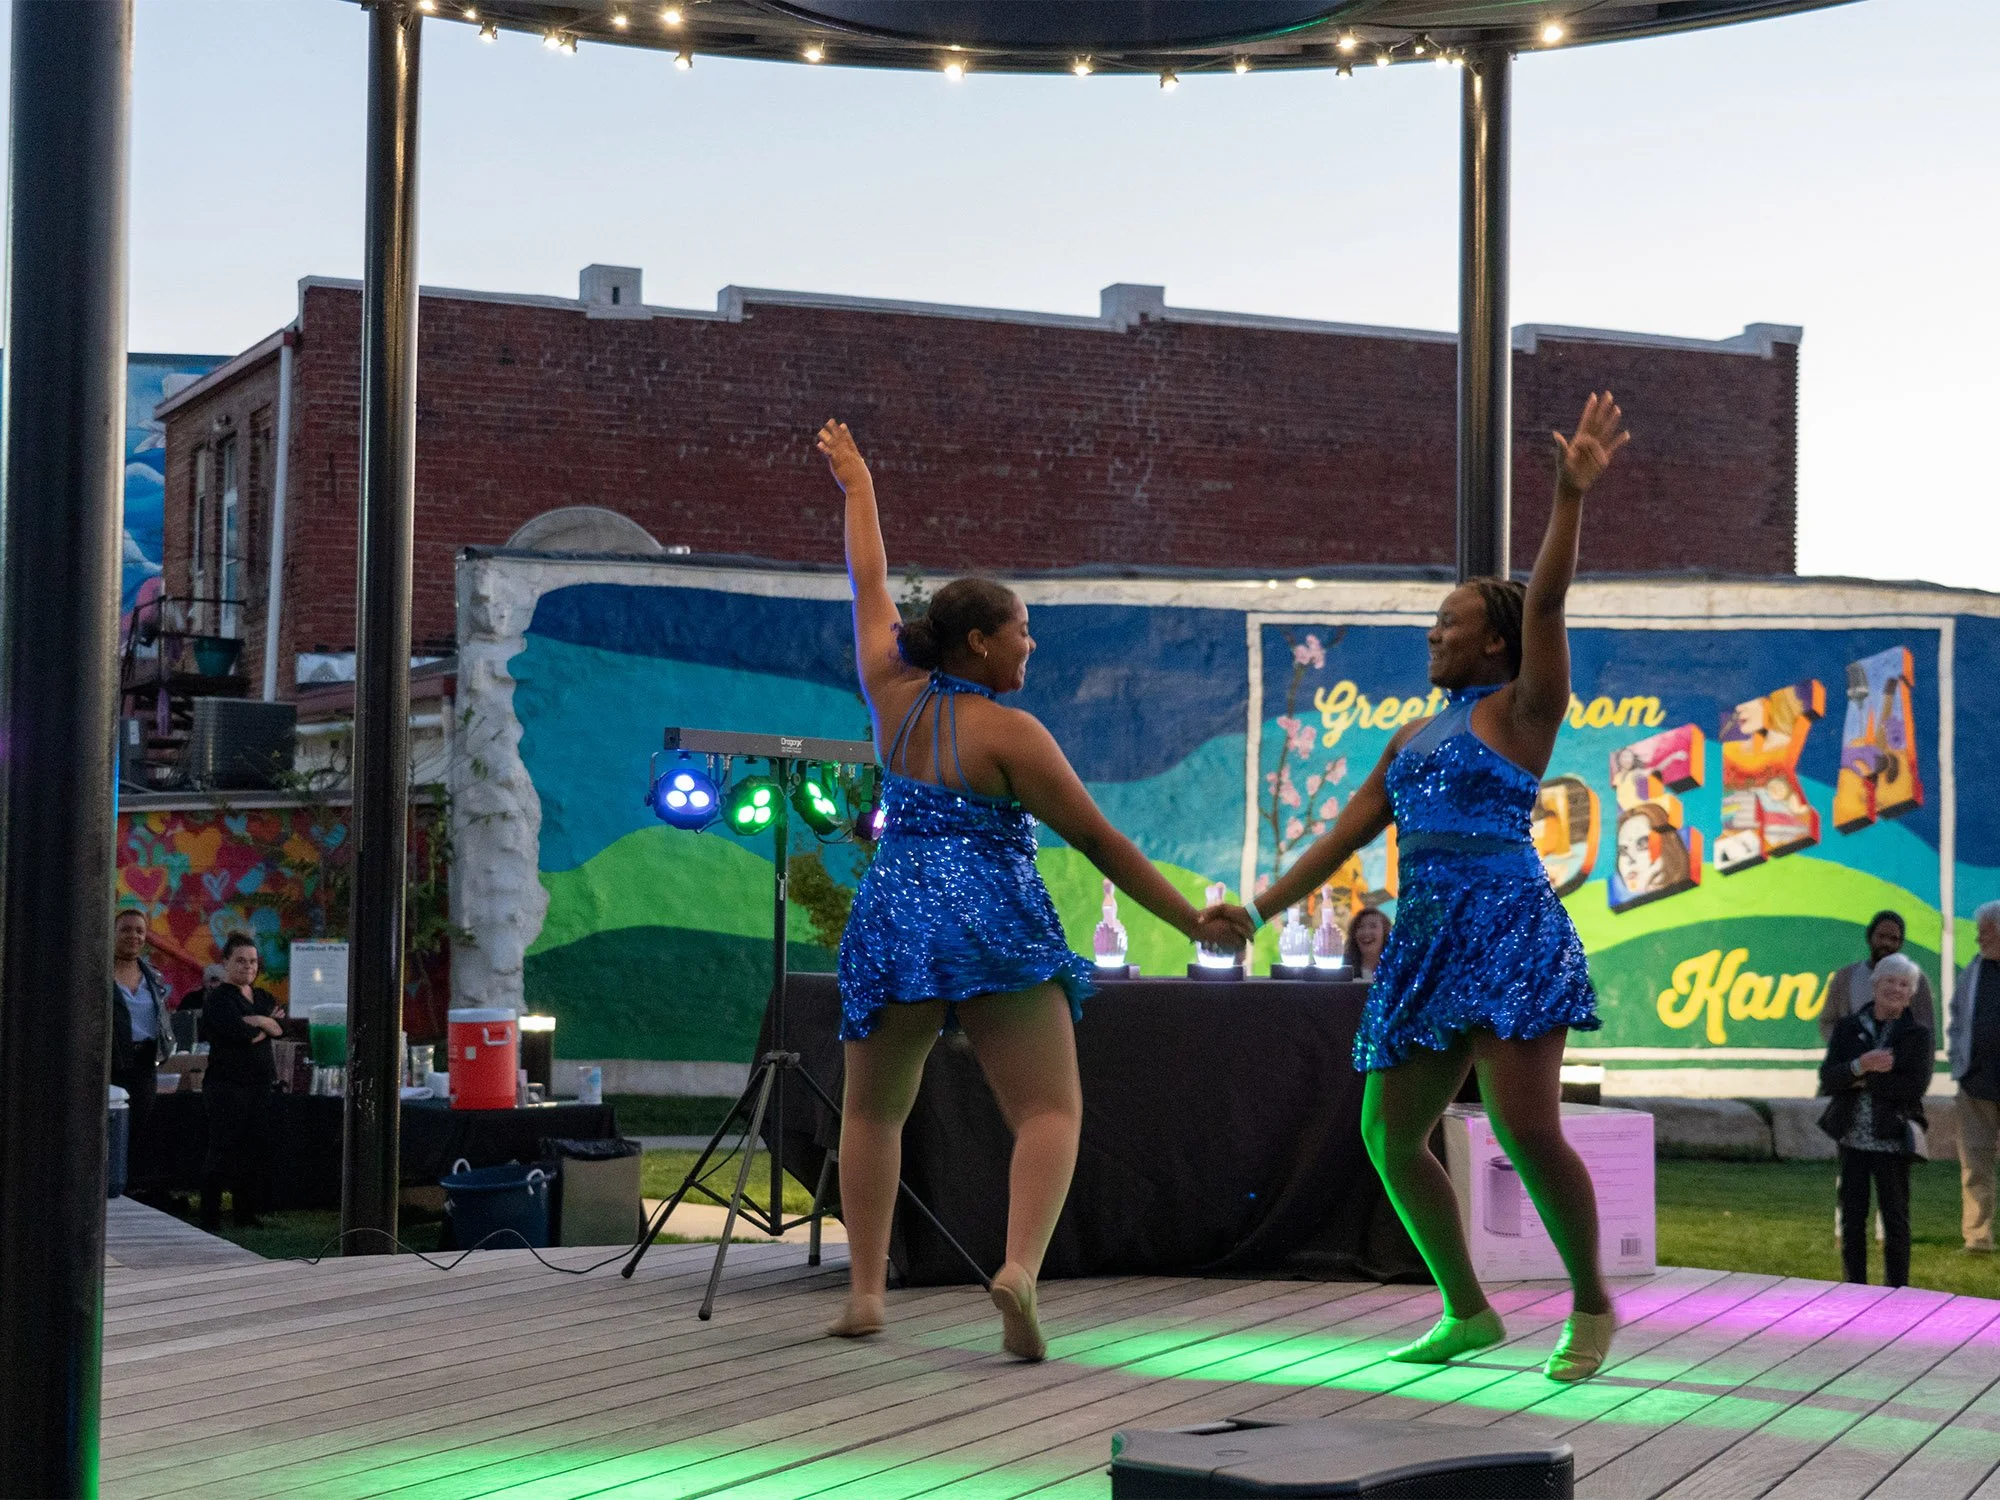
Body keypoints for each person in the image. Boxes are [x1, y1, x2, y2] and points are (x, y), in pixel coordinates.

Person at [1209, 392, 1630, 1382]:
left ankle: (1591, 1304)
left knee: (1527, 1128)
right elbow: (1344, 833)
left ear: (1493, 641)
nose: (1431, 637)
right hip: (1425, 942)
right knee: (1388, 1135)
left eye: (1448, 625)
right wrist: (1256, 913)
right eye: (1433, 624)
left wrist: (1566, 499)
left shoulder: (1522, 713)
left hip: (1506, 927)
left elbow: (1550, 603)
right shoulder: (1408, 740)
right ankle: (1468, 1311)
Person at [818, 419, 1242, 1360]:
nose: (1031, 644)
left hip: (894, 913)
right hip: (992, 922)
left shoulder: (890, 693)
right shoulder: (1015, 737)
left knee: (872, 1110)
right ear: (979, 642)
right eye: (1020, 631)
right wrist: (1190, 923)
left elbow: (868, 581)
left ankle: (864, 1294)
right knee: (1049, 1110)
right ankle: (1017, 1269)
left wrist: (859, 486)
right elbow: (1098, 841)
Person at [1818, 952, 1931, 1287]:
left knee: (1895, 1217)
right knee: (1852, 1218)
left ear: (1911, 993)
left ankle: (1897, 1290)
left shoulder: (1917, 1035)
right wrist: (1862, 1065)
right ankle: (1854, 1287)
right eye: (1890, 981)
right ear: (1875, 985)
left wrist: (1863, 1080)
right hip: (1852, 1135)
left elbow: (1913, 1086)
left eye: (1904, 984)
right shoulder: (1849, 1027)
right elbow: (1829, 1078)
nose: (1896, 989)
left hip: (1893, 1136)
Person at [199, 932, 283, 1230]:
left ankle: (244, 1213)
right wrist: (266, 1025)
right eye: (240, 961)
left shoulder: (262, 997)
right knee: (223, 1149)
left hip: (259, 1084)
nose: (248, 966)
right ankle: (209, 1215)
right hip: (226, 1085)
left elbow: (280, 1025)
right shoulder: (219, 999)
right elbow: (239, 1034)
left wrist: (259, 1021)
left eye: (252, 961)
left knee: (252, 1149)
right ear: (225, 963)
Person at [111, 908, 180, 1195]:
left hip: (144, 1062)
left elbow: (161, 1016)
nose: (134, 936)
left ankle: (129, 1190)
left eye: (139, 931)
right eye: (126, 929)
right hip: (112, 1060)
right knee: (109, 1126)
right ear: (113, 933)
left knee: (139, 1127)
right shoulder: (99, 972)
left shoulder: (152, 976)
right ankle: (108, 1184)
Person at [1946, 900, 2000, 1254]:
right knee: (1975, 1164)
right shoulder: (1973, 970)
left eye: (1985, 930)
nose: (1979, 936)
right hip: (1976, 1084)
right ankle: (1978, 1237)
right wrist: (1957, 1063)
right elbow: (1957, 1019)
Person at [1821, 910, 1937, 1041]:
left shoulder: (1916, 980)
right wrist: (1846, 1046)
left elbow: (1926, 1031)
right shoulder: (1845, 977)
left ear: (1900, 943)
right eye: (1881, 936)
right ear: (1870, 937)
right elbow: (1828, 1022)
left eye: (1893, 939)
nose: (1886, 943)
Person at [1341, 907, 1391, 984]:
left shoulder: (1397, 968)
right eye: (1360, 927)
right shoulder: (1343, 968)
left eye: (1373, 926)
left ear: (1385, 932)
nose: (1366, 932)